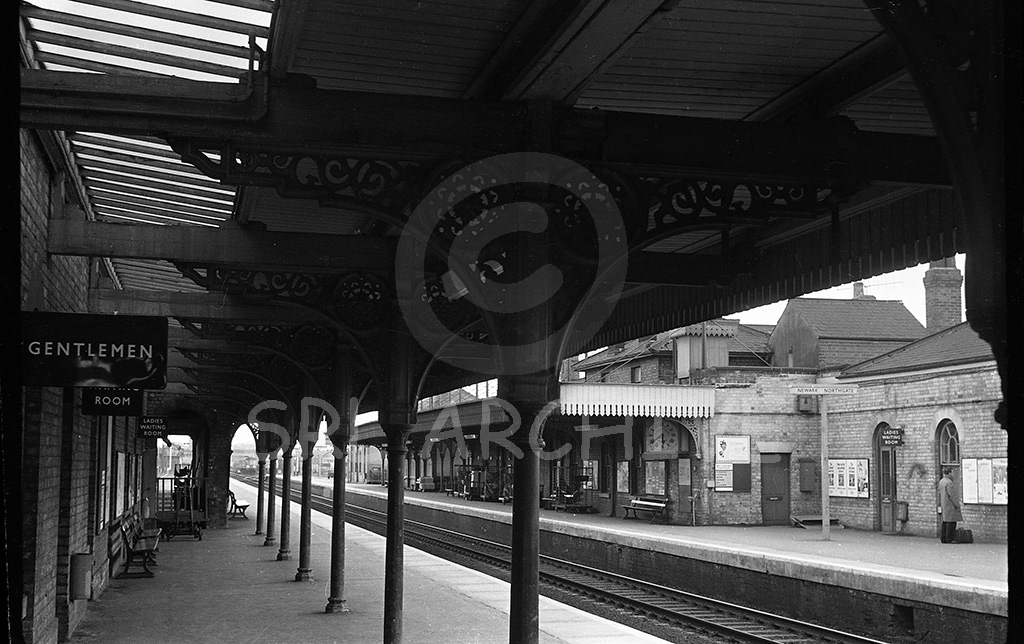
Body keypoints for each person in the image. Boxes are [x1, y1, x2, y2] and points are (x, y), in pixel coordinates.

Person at [937, 467, 963, 543]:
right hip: (950, 505)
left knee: (945, 522)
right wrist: (957, 505)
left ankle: (943, 538)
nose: (953, 473)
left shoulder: (942, 481)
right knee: (951, 522)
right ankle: (950, 539)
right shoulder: (949, 483)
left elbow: (939, 492)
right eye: (952, 472)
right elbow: (952, 496)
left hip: (944, 504)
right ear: (950, 473)